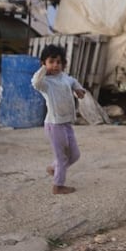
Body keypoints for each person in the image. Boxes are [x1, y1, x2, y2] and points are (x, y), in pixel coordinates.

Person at [31, 44, 87, 195]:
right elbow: (35, 82)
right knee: (62, 157)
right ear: (44, 63)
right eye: (51, 62)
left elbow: (73, 81)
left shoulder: (64, 78)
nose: (55, 65)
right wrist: (44, 69)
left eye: (59, 62)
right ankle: (58, 185)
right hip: (54, 125)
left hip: (66, 123)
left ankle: (54, 168)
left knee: (75, 155)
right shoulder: (45, 83)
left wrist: (78, 89)